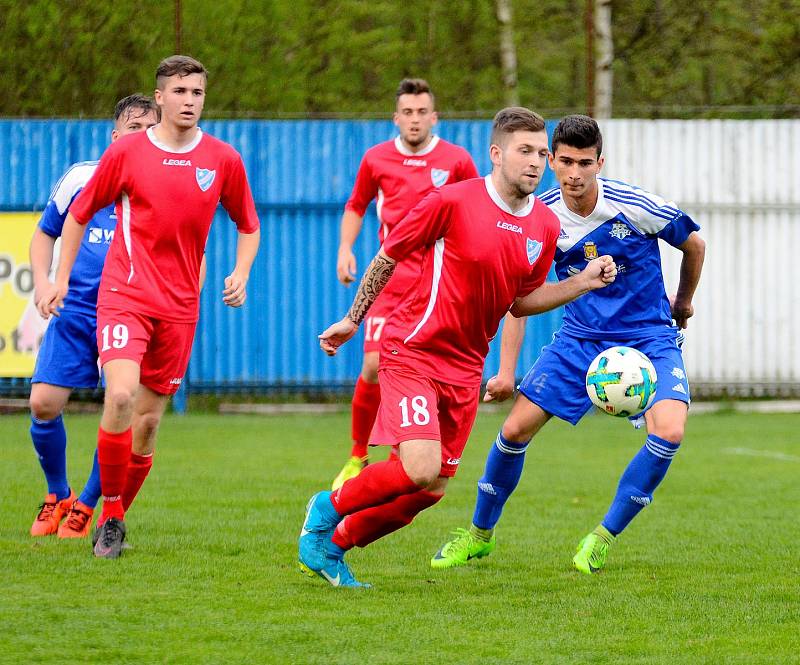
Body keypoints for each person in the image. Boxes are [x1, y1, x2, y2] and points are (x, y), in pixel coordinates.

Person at [298, 107, 618, 588]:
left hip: (467, 369)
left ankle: (335, 546)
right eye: (524, 151)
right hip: (414, 351)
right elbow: (389, 255)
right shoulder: (450, 201)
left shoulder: (545, 227)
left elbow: (520, 301)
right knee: (420, 467)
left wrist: (582, 283)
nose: (535, 162)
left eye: (541, 153)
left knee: (432, 489)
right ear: (496, 154)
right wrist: (352, 318)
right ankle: (325, 508)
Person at [431, 114, 706, 574]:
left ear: (600, 163)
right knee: (514, 431)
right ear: (551, 161)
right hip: (579, 340)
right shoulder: (541, 218)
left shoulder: (635, 206)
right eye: (564, 162)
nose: (574, 174)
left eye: (584, 163)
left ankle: (603, 537)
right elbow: (519, 301)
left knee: (671, 431)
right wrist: (505, 370)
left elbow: (694, 244)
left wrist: (683, 301)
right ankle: (477, 536)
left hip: (648, 337)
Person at [37, 55, 261, 559]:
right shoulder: (129, 153)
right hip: (125, 295)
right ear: (159, 97)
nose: (189, 101)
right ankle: (107, 510)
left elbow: (248, 223)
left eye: (197, 93)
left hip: (180, 308)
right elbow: (77, 215)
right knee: (118, 397)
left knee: (148, 422)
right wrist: (60, 279)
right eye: (179, 92)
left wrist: (241, 272)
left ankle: (112, 515)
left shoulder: (223, 159)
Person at [332, 78, 478, 490]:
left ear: (435, 117)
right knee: (375, 366)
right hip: (388, 282)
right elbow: (356, 204)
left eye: (422, 113)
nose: (415, 120)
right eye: (407, 113)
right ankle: (358, 455)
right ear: (396, 118)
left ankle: (405, 452)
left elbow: (473, 209)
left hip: (436, 286)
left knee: (423, 368)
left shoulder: (456, 161)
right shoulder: (377, 159)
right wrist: (345, 248)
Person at [28, 94, 160, 539]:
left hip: (128, 311)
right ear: (115, 135)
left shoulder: (162, 186)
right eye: (134, 127)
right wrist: (46, 284)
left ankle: (86, 505)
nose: (141, 136)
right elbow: (45, 234)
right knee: (43, 403)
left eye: (150, 128)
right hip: (76, 309)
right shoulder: (83, 178)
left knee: (120, 406)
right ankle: (56, 494)